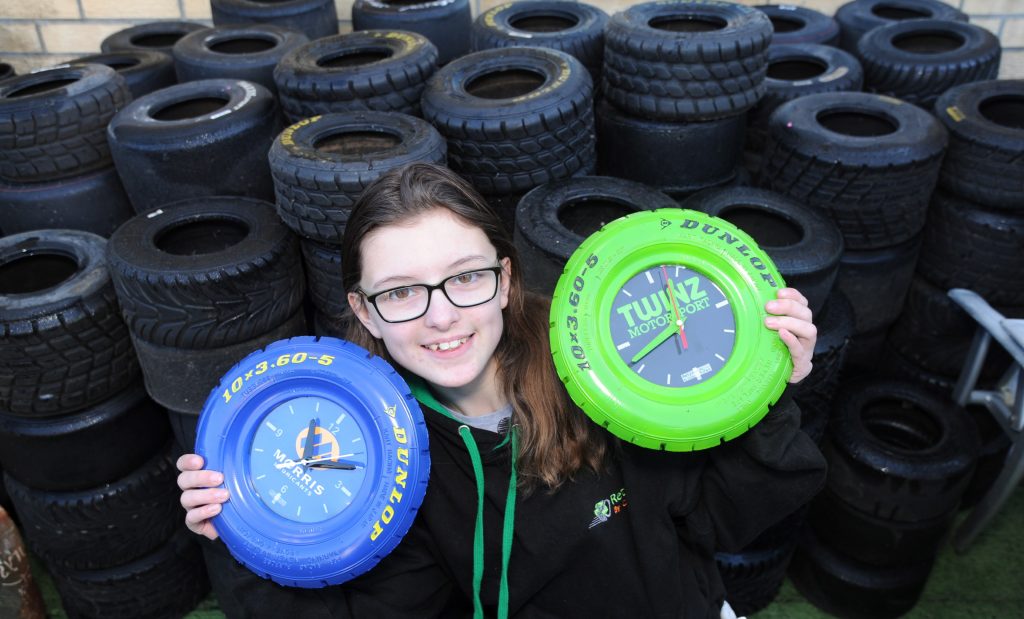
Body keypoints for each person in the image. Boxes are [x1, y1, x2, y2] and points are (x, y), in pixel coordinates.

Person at [177, 163, 826, 619]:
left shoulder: (602, 369)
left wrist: (766, 391)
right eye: (401, 291)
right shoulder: (377, 450)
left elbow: (726, 515)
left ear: (506, 278)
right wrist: (249, 530)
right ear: (364, 310)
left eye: (465, 277)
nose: (441, 316)